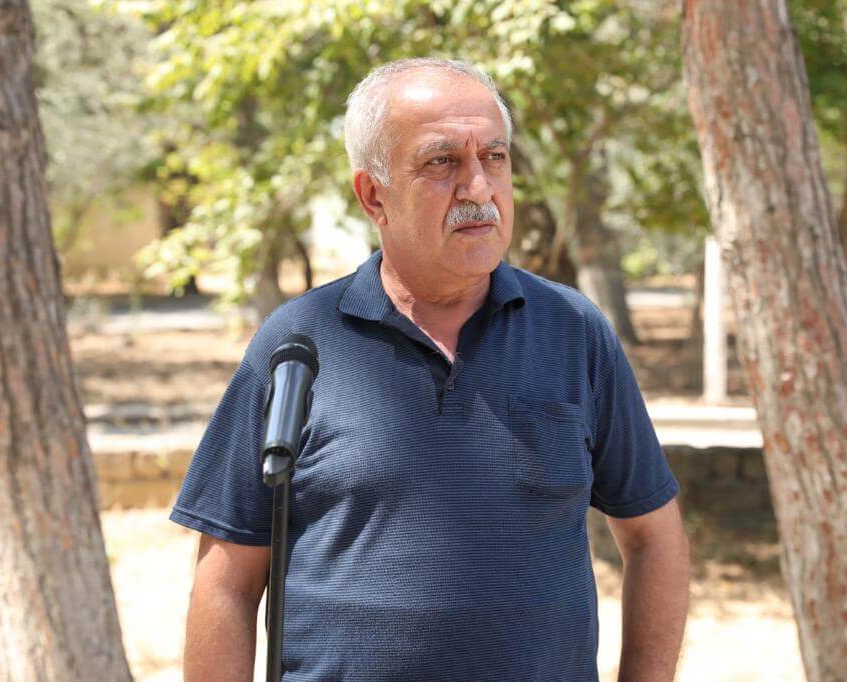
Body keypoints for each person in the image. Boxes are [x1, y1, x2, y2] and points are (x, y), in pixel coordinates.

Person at [172, 57, 690, 682]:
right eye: (442, 162)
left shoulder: (573, 333)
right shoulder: (298, 343)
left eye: (495, 157)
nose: (479, 187)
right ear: (374, 196)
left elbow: (654, 537)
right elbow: (226, 581)